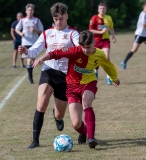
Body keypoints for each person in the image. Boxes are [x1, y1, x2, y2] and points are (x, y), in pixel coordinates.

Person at [20, 30, 120, 149]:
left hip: (89, 83)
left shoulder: (99, 54)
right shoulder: (74, 51)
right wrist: (41, 59)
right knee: (76, 123)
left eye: (88, 47)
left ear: (94, 43)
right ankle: (83, 132)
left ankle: (91, 138)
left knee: (86, 102)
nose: (86, 50)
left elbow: (108, 66)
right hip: (72, 87)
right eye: (83, 47)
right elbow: (55, 53)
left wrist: (114, 78)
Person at [18, 2, 79, 149]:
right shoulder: (47, 33)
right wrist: (26, 52)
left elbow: (79, 49)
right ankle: (35, 141)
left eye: (61, 18)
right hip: (48, 71)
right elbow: (33, 51)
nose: (58, 22)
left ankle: (57, 117)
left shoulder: (72, 34)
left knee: (59, 114)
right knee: (41, 103)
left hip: (65, 76)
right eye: (56, 19)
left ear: (66, 16)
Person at [89, 2, 116, 85]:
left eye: (103, 8)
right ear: (98, 9)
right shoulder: (94, 18)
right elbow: (90, 30)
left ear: (106, 9)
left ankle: (109, 77)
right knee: (96, 59)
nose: (102, 10)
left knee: (107, 58)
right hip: (96, 41)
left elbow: (111, 28)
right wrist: (100, 32)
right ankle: (95, 72)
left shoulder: (109, 18)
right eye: (100, 8)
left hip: (105, 41)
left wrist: (113, 36)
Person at [15, 3, 43, 84]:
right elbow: (17, 29)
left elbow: (41, 30)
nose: (30, 11)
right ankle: (30, 78)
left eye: (31, 10)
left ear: (33, 11)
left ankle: (30, 74)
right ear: (26, 11)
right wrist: (21, 34)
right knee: (29, 60)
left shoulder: (36, 20)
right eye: (28, 10)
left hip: (34, 42)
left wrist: (35, 30)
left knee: (32, 60)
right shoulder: (22, 20)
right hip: (25, 42)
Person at [121, 3, 146, 70]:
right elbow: (144, 24)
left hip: (144, 35)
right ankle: (124, 62)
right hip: (140, 34)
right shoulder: (143, 14)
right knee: (134, 49)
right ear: (144, 7)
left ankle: (124, 62)